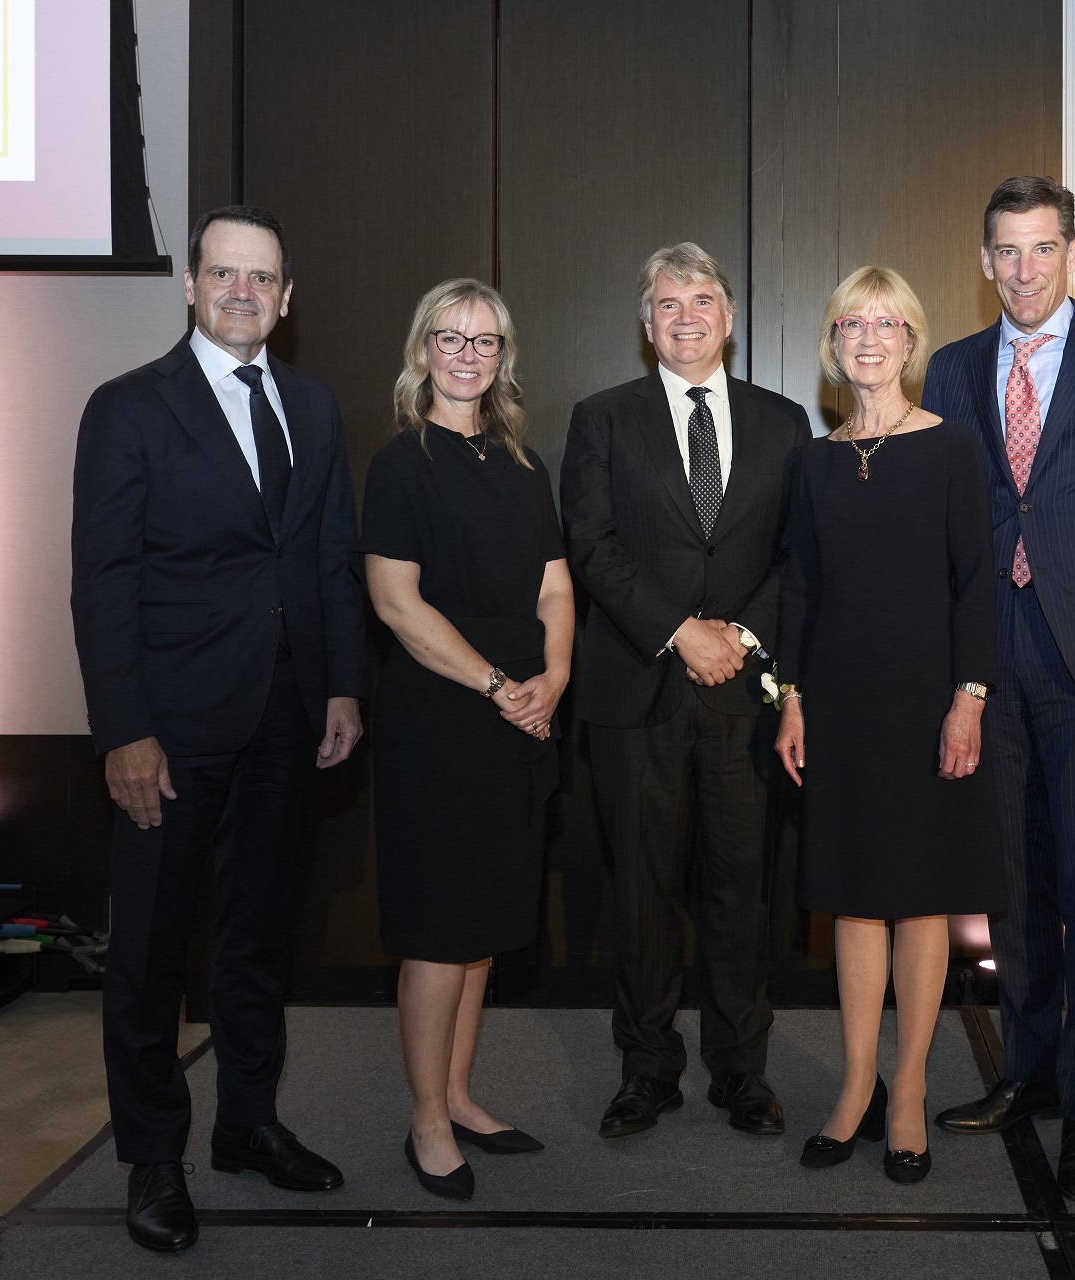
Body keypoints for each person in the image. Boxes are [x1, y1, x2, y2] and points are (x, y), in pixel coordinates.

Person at [71, 206, 366, 1252]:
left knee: (256, 937)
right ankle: (154, 1152)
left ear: (287, 299)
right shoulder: (128, 409)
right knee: (150, 948)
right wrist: (124, 729)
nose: (244, 290)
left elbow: (328, 557)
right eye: (224, 273)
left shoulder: (316, 407)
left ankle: (248, 1121)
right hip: (171, 729)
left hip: (287, 717)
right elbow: (102, 584)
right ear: (192, 286)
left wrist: (338, 686)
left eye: (264, 277)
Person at [922, 176, 1075, 1201]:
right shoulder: (955, 367)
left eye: (1041, 248)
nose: (1023, 269)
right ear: (983, 260)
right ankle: (1030, 1072)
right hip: (989, 664)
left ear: (1073, 250)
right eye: (1005, 251)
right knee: (1009, 889)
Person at [560, 243, 811, 1142]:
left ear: (730, 316)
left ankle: (742, 1072)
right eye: (666, 303)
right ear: (646, 321)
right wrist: (680, 631)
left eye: (701, 299)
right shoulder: (603, 419)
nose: (685, 316)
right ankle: (648, 1070)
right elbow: (591, 545)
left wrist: (738, 638)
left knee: (743, 895)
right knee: (643, 894)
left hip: (743, 699)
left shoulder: (784, 424)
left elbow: (798, 558)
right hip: (638, 693)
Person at [774, 267, 1002, 1184]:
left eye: (888, 322)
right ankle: (855, 1086)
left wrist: (969, 698)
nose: (870, 337)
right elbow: (799, 584)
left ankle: (907, 1091)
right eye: (852, 323)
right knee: (853, 896)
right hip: (837, 701)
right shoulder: (816, 457)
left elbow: (976, 581)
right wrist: (788, 694)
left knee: (920, 897)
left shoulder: (950, 446)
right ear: (833, 342)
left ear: (911, 339)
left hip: (927, 701)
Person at [360, 279, 571, 1201]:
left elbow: (556, 584)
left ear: (503, 356)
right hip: (440, 723)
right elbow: (396, 604)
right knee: (440, 934)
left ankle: (458, 1091)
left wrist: (554, 678)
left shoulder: (524, 463)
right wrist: (497, 684)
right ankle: (426, 1118)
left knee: (482, 933)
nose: (467, 353)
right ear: (422, 349)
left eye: (484, 340)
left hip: (522, 717)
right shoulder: (401, 464)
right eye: (450, 337)